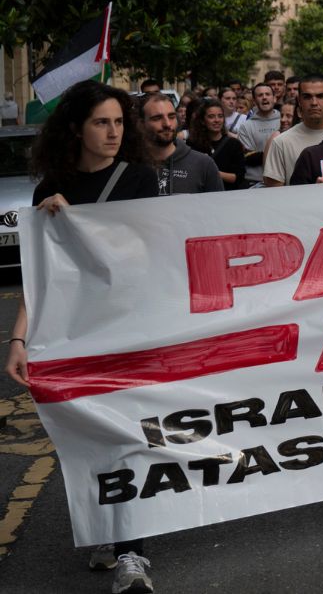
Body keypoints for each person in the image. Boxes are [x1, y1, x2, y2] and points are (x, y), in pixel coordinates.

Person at [7, 80, 158, 594]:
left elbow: (140, 257)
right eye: (101, 122)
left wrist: (81, 223)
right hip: (73, 335)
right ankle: (110, 529)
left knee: (127, 438)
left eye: (119, 122)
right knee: (89, 440)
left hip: (127, 330)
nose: (113, 132)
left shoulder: (138, 178)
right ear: (77, 128)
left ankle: (132, 552)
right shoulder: (49, 185)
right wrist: (19, 340)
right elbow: (41, 275)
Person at [139, 93, 223, 195]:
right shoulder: (130, 165)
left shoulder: (204, 164)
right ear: (141, 124)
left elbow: (217, 208)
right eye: (157, 118)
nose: (167, 124)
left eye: (171, 116)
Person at [263, 75, 323, 186]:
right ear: (299, 101)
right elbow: (274, 195)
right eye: (307, 97)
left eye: (321, 96)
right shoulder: (281, 142)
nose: (314, 102)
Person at [187, 98, 247, 190]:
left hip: (227, 195)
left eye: (220, 116)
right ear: (203, 120)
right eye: (211, 116)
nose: (217, 120)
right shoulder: (193, 144)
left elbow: (238, 177)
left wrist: (213, 172)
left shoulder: (234, 144)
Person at [236, 83, 281, 187]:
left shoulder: (284, 120)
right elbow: (247, 157)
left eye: (267, 94)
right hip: (255, 182)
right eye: (260, 95)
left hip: (281, 181)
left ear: (274, 98)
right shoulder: (246, 126)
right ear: (254, 101)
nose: (264, 97)